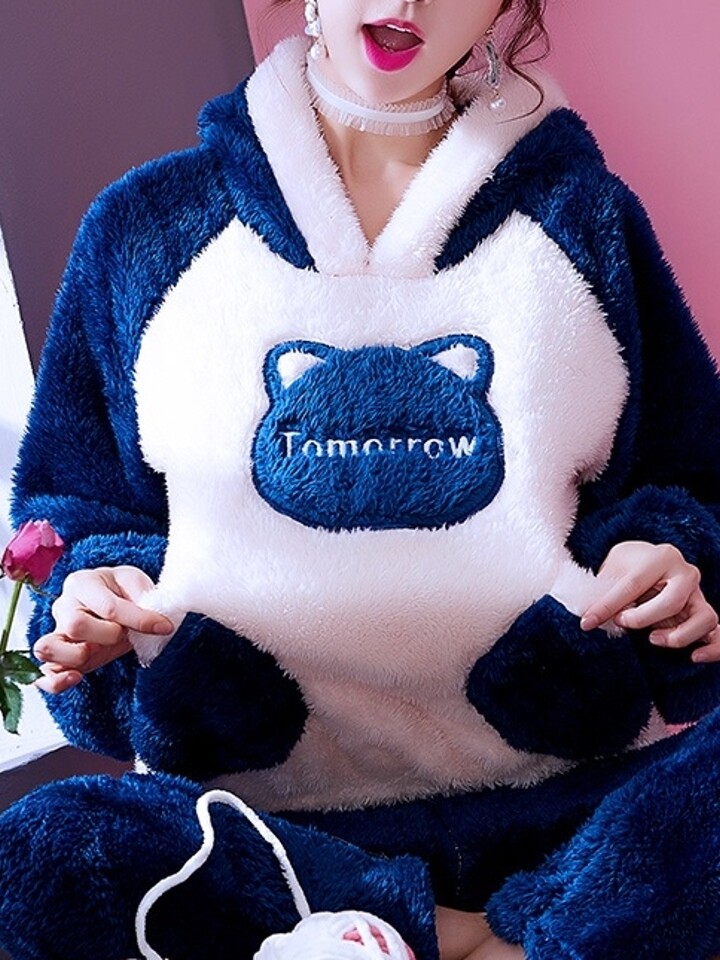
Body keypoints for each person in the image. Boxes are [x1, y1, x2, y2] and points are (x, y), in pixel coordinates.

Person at [2, 0, 720, 957]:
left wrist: (669, 559)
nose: (405, 2)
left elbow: (690, 483)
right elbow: (72, 511)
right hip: (274, 837)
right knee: (44, 853)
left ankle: (431, 936)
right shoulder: (146, 228)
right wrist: (95, 592)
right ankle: (481, 939)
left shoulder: (584, 218)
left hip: (575, 807)